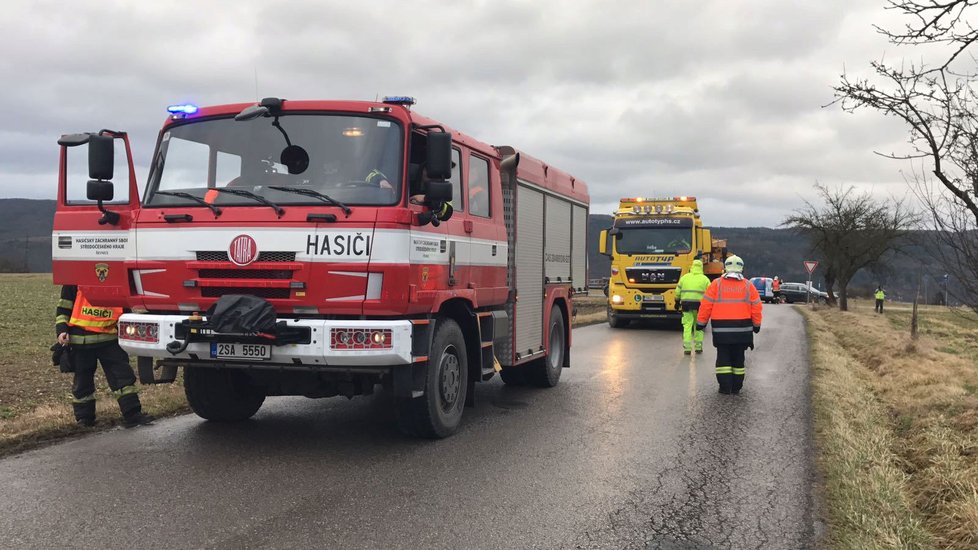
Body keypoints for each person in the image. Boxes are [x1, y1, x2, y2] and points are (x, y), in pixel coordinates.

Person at [55, 285, 154, 427]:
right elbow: (64, 307)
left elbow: (124, 305)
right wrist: (61, 330)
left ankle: (132, 414)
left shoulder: (112, 276)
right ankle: (84, 419)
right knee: (83, 381)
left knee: (122, 378)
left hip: (109, 338)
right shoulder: (75, 279)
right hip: (84, 340)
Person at [696, 255, 763, 395]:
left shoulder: (716, 284)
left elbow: (706, 305)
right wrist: (756, 325)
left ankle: (725, 387)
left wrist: (701, 323)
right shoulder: (748, 285)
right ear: (741, 268)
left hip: (721, 332)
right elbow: (756, 306)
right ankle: (737, 387)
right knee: (739, 359)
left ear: (725, 267)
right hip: (742, 332)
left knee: (723, 358)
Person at [676, 259, 711, 355]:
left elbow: (678, 291)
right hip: (700, 306)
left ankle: (687, 347)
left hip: (686, 304)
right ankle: (698, 347)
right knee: (699, 326)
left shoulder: (684, 278)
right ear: (701, 268)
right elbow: (710, 294)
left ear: (692, 267)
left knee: (687, 325)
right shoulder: (705, 279)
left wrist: (676, 300)